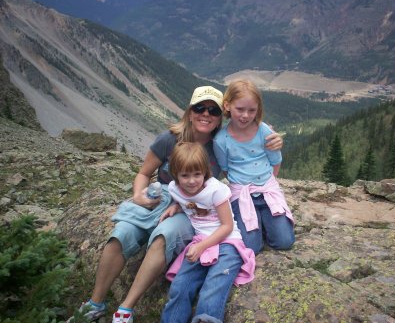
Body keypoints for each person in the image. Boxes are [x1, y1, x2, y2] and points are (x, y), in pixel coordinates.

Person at [67, 85, 283, 323]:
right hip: (157, 198)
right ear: (190, 112)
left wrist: (268, 137)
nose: (206, 114)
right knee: (121, 234)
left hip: (190, 207)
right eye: (199, 108)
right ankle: (95, 304)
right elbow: (143, 172)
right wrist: (139, 195)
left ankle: (126, 308)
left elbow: (244, 156)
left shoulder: (220, 144)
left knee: (164, 236)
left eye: (212, 110)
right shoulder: (169, 139)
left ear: (220, 115)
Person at [159, 142, 255, 323]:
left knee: (214, 286)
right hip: (201, 240)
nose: (192, 181)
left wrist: (202, 246)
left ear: (205, 171)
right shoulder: (174, 188)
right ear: (175, 175)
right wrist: (175, 207)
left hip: (227, 242)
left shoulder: (216, 190)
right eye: (185, 175)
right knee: (180, 286)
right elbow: (187, 200)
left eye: (197, 174)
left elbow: (226, 226)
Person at [213, 79, 295, 254]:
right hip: (241, 193)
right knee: (251, 247)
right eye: (240, 109)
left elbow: (275, 161)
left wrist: (267, 183)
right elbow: (226, 169)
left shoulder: (264, 131)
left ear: (258, 109)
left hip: (267, 189)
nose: (245, 115)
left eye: (252, 110)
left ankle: (265, 221)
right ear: (227, 106)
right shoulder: (221, 140)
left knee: (285, 241)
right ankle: (259, 223)